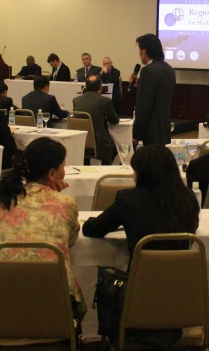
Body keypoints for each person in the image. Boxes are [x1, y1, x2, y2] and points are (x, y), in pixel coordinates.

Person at [83, 145, 201, 348]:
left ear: (142, 172)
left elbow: (93, 229)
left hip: (138, 294)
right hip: (181, 294)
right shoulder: (188, 198)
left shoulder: (129, 200)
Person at [0, 138, 86, 339]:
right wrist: (56, 197)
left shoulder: (4, 199)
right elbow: (70, 239)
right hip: (56, 301)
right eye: (63, 166)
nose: (64, 171)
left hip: (6, 300)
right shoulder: (66, 203)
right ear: (52, 173)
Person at [132, 34, 176, 146]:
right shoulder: (169, 69)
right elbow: (160, 94)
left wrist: (136, 134)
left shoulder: (147, 71)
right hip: (164, 127)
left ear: (144, 51)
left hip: (151, 130)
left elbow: (144, 106)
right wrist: (140, 84)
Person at [72, 75, 119, 165]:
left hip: (81, 140)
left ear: (85, 87)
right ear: (101, 87)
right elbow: (114, 121)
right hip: (99, 142)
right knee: (117, 145)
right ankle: (105, 168)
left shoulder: (76, 100)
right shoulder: (105, 101)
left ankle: (85, 165)